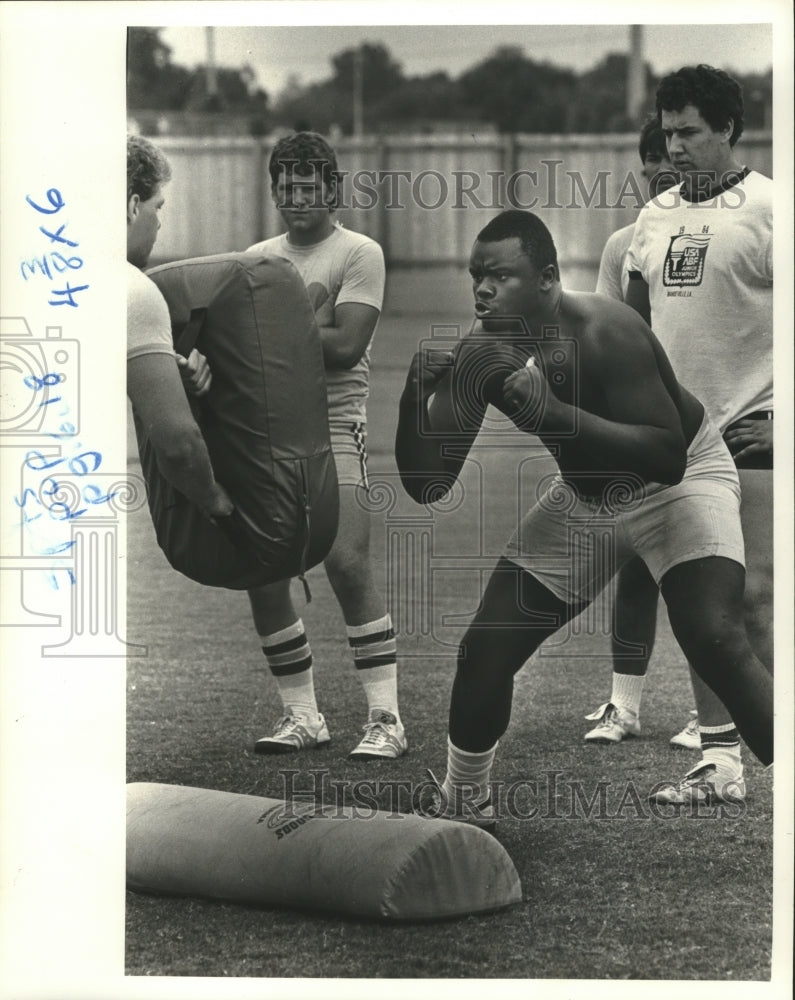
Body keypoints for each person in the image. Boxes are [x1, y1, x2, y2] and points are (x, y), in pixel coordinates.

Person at [394, 209, 773, 829]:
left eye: (501, 276)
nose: (483, 289)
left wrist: (553, 415)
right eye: (476, 276)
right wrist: (414, 397)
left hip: (678, 482)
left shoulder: (605, 331)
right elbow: (427, 482)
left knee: (713, 633)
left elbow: (667, 454)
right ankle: (465, 798)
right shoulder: (483, 350)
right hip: (587, 499)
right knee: (483, 653)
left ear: (547, 278)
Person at [585, 65, 773, 805]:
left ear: (729, 129)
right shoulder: (652, 220)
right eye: (668, 132)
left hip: (757, 427)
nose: (676, 147)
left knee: (753, 601)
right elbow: (627, 331)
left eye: (689, 131)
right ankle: (719, 763)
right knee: (703, 604)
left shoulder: (769, 210)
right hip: (680, 440)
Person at [244, 132, 407, 760]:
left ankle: (386, 719)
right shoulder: (256, 257)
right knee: (264, 574)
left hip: (336, 426)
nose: (295, 198)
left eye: (308, 186)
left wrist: (277, 326)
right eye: (285, 186)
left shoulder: (359, 251)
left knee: (346, 564)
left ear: (333, 189)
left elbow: (344, 348)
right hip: (270, 432)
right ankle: (302, 715)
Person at [126, 135, 233, 525]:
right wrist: (217, 502)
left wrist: (161, 372)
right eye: (158, 207)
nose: (159, 222)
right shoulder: (132, 290)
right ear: (133, 206)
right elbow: (178, 447)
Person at [594, 116, 678, 302]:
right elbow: (607, 319)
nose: (664, 169)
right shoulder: (621, 244)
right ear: (644, 170)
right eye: (654, 159)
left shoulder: (707, 235)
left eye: (672, 158)